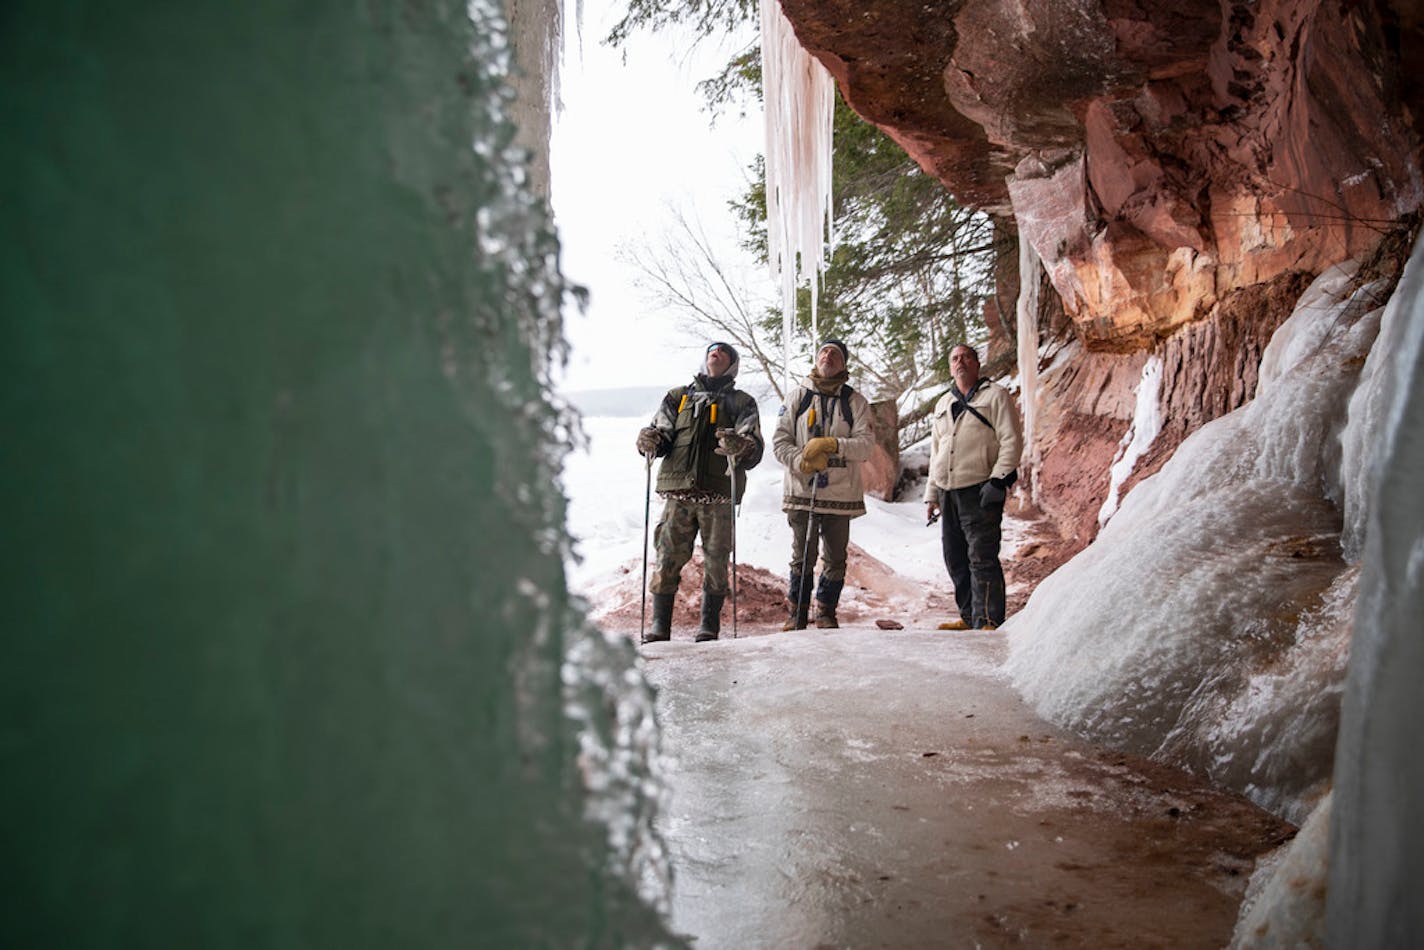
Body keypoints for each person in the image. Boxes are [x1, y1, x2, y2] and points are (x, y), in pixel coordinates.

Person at [635, 342, 764, 642]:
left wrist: (741, 447)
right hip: (678, 493)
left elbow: (753, 446)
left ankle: (709, 626)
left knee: (717, 561)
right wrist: (649, 441)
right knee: (667, 557)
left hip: (718, 493)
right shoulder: (677, 397)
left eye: (723, 352)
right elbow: (662, 434)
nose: (715, 353)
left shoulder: (742, 402)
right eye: (712, 351)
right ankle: (659, 626)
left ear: (732, 363)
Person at [772, 339, 874, 629]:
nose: (828, 356)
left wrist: (833, 445)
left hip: (841, 492)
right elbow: (780, 441)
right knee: (802, 553)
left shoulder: (855, 402)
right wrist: (800, 461)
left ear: (844, 364)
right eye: (824, 352)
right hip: (802, 489)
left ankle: (827, 610)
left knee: (835, 555)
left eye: (835, 354)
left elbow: (866, 446)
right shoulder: (797, 397)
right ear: (816, 359)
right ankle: (797, 612)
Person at [924, 342, 1023, 630]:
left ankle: (988, 618)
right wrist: (932, 495)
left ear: (977, 364)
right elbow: (936, 451)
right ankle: (969, 616)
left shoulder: (996, 396)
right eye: (955, 358)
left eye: (966, 357)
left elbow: (1011, 439)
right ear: (950, 367)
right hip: (948, 489)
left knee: (981, 555)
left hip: (980, 487)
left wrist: (999, 479)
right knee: (954, 557)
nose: (961, 362)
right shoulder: (943, 403)